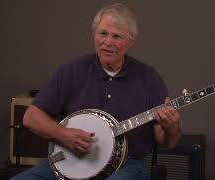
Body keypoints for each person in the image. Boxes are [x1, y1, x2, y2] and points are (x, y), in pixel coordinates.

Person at [10, 3, 181, 180]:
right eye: (103, 33)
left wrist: (172, 126)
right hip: (69, 160)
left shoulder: (149, 78)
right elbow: (30, 117)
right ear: (94, 35)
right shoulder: (72, 70)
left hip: (125, 167)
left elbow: (167, 141)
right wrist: (64, 135)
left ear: (130, 41)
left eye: (116, 36)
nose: (108, 42)